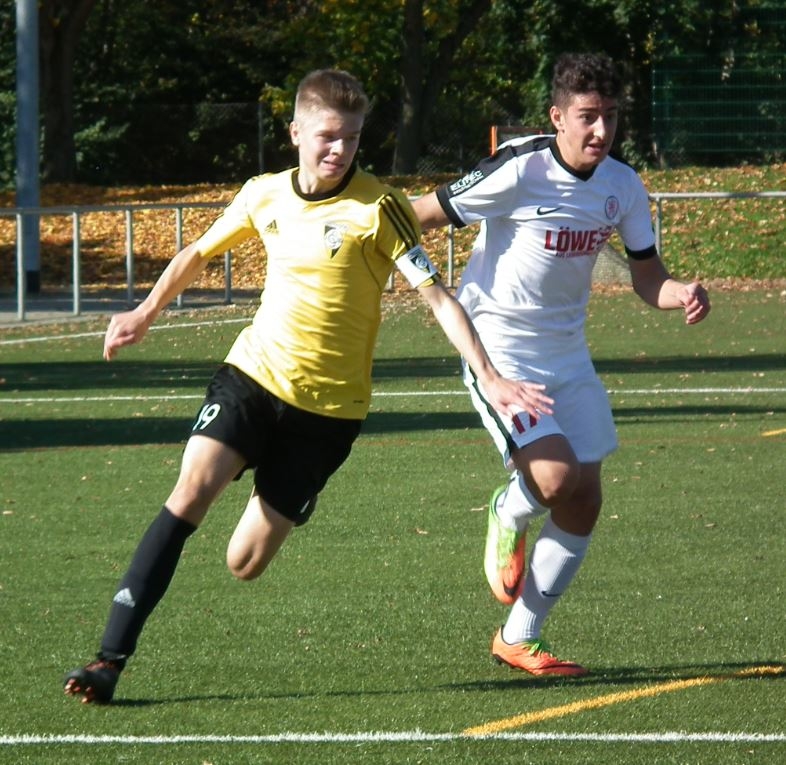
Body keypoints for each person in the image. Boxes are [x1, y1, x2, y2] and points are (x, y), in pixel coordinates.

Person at [63, 69, 551, 704]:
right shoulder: (263, 194)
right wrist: (145, 311)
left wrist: (490, 375)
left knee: (244, 563)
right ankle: (108, 660)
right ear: (295, 132)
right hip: (253, 376)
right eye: (327, 136)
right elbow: (197, 253)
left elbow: (439, 299)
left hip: (329, 413)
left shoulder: (380, 208)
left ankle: (293, 495)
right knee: (190, 494)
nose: (339, 150)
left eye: (352, 138)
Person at [412, 52, 710, 677]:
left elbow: (647, 277)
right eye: (588, 116)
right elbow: (421, 214)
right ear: (557, 117)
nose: (601, 130)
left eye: (611, 117)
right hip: (498, 349)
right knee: (553, 480)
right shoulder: (520, 168)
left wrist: (679, 292)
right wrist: (372, 244)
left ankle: (517, 637)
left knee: (584, 498)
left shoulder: (623, 186)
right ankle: (507, 510)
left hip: (568, 355)